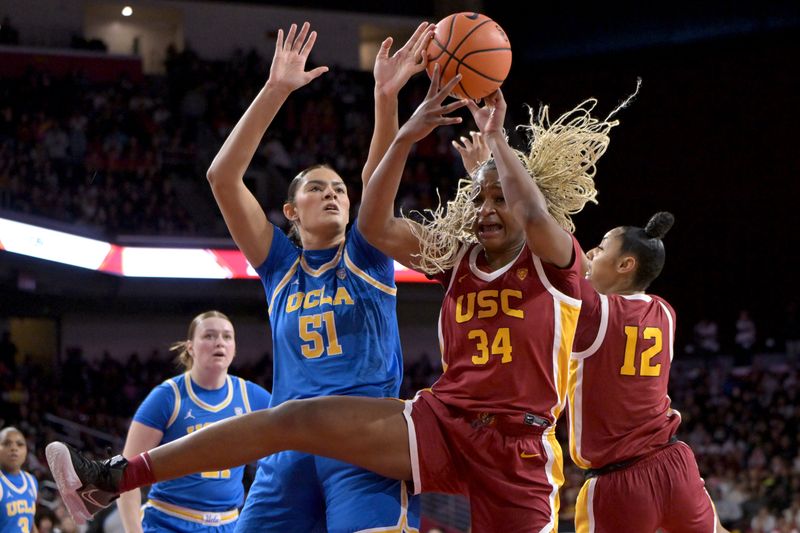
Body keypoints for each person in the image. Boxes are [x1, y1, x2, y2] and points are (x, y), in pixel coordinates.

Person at [45, 61, 621, 532]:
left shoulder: (392, 257)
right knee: (288, 418)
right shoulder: (289, 266)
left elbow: (399, 206)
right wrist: (388, 123)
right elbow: (237, 179)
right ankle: (112, 475)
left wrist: (435, 124)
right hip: (388, 432)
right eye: (317, 188)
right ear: (291, 211)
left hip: (392, 444)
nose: (333, 194)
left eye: (338, 187)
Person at [567, 212, 729, 533]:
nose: (590, 253)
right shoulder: (664, 311)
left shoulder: (595, 313)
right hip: (674, 461)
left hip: (619, 481)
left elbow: (558, 254)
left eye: (600, 248)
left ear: (625, 265)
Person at [116, 310, 271, 532]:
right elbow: (124, 472)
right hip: (168, 521)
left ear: (234, 348)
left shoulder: (253, 397)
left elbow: (286, 456)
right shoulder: (168, 396)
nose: (219, 342)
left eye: (227, 336)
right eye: (209, 336)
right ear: (190, 347)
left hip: (229, 524)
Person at [0, 426, 38, 533]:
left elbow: (30, 522)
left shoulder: (31, 481)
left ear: (26, 450)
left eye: (20, 444)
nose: (14, 448)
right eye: (7, 443)